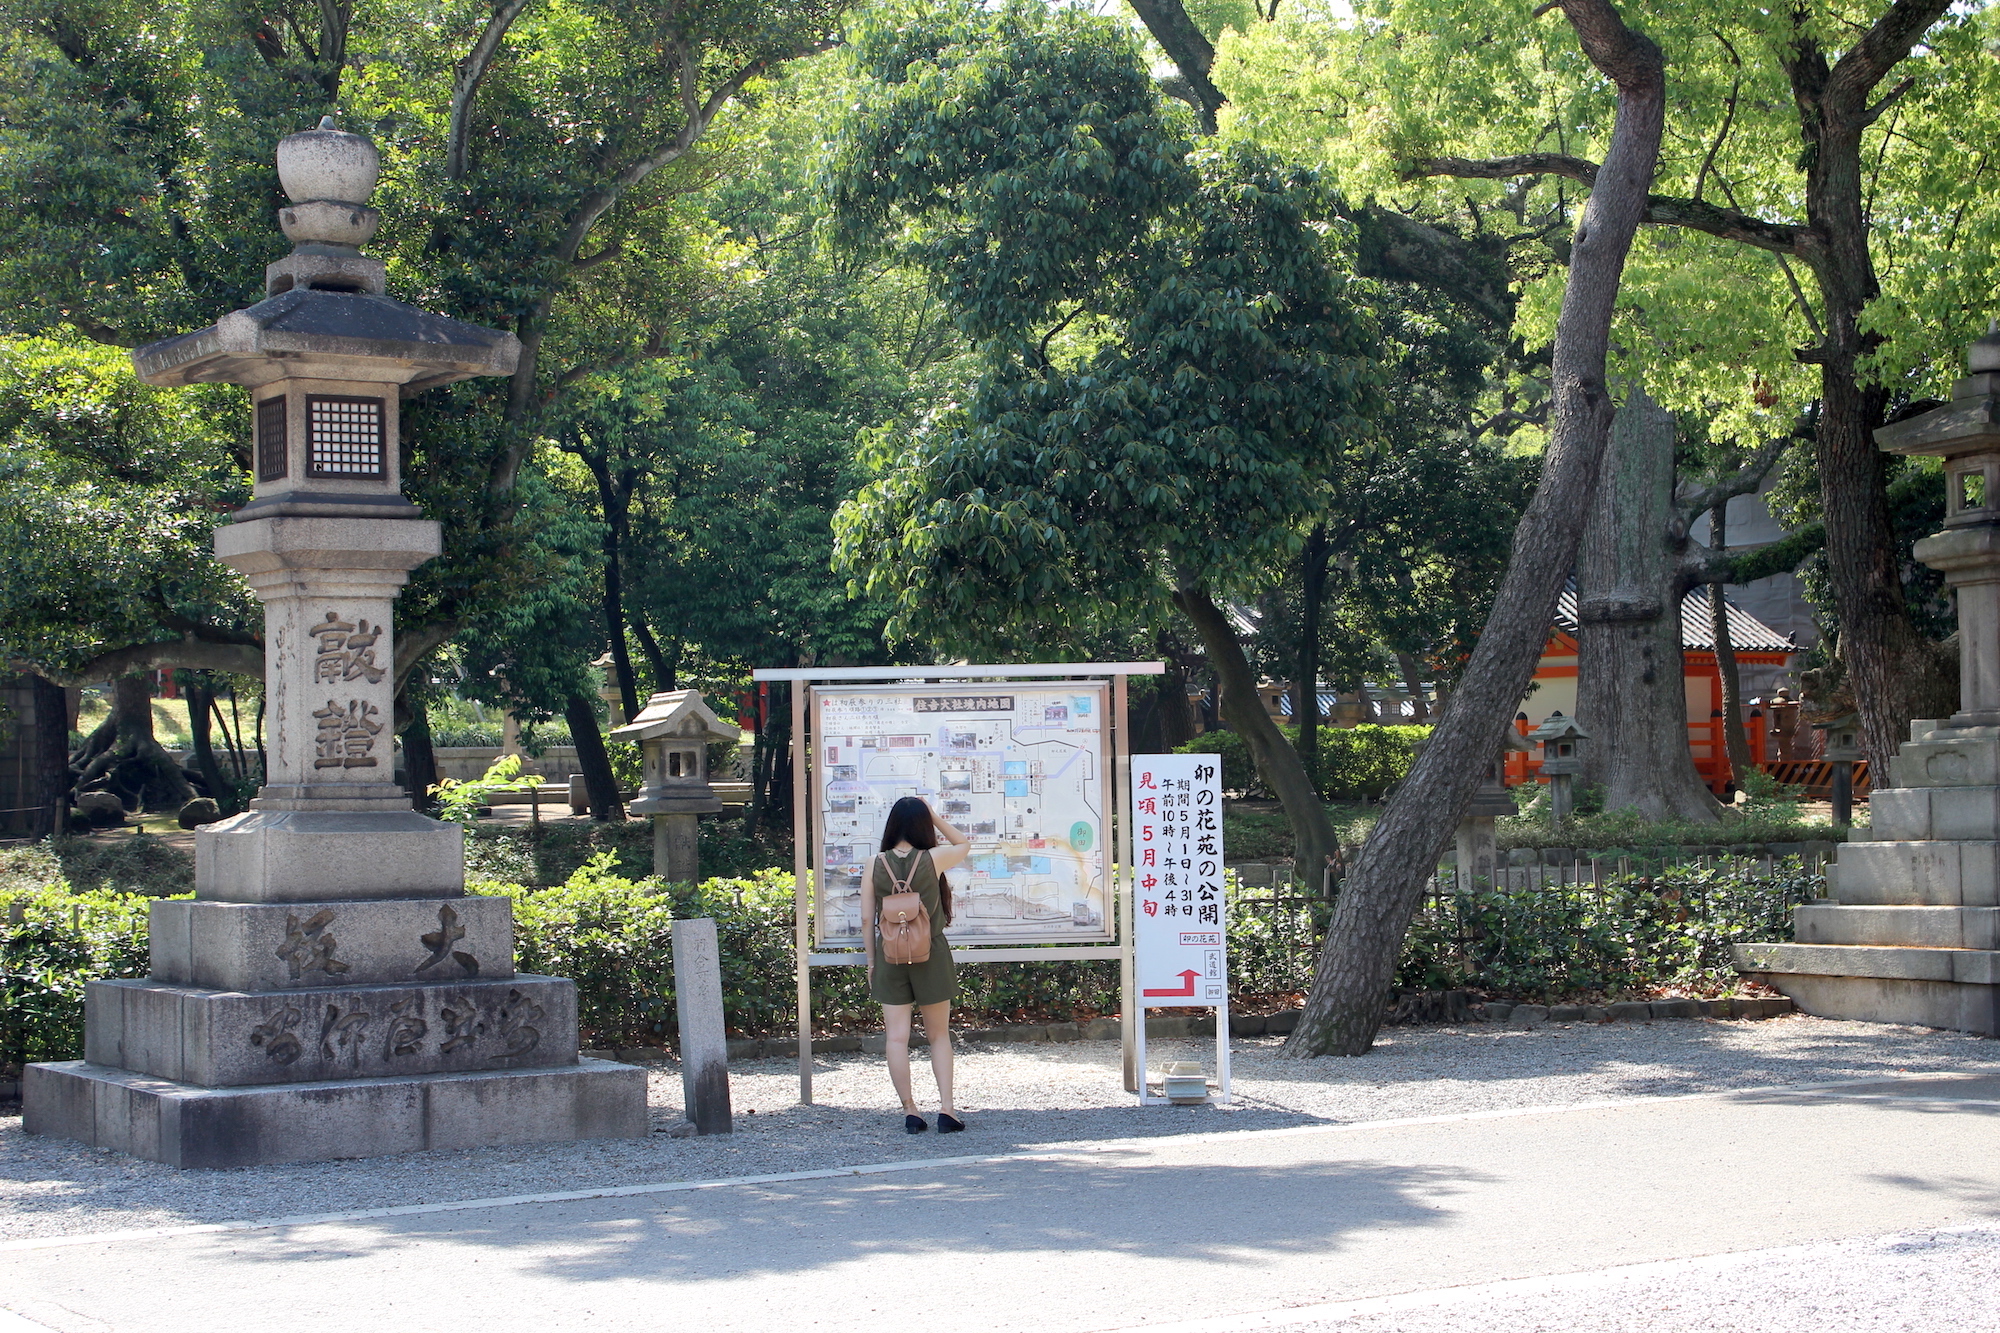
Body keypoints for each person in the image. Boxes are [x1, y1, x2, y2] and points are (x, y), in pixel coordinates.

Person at [864, 796, 971, 1134]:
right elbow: (964, 843)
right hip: (932, 954)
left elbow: (868, 918)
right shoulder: (932, 859)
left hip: (890, 956)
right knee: (939, 1035)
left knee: (896, 1038)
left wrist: (871, 962)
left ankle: (911, 1111)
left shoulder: (874, 863)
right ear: (922, 824)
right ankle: (946, 1110)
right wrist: (935, 816)